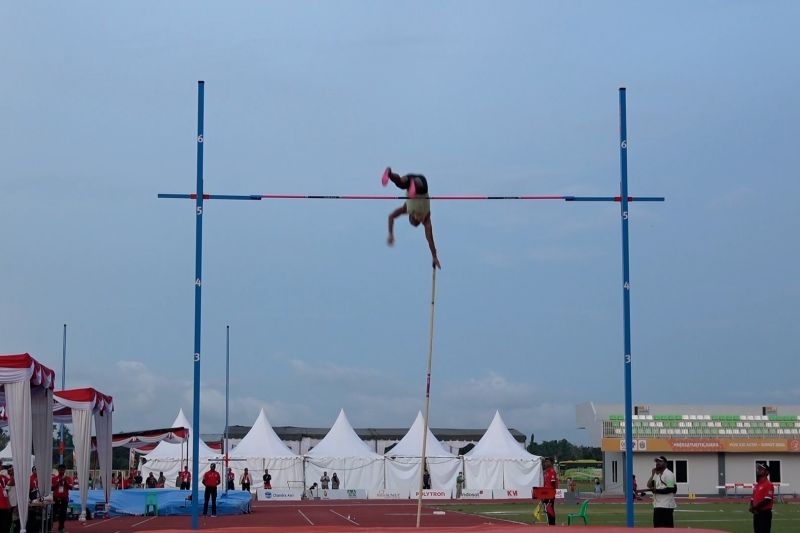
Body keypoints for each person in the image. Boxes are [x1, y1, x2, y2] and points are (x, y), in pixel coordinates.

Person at [384, 168, 441, 269]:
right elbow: (430, 240)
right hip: (421, 185)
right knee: (403, 183)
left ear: (410, 215)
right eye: (417, 220)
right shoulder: (426, 220)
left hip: (412, 181)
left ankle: (391, 174)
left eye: (414, 218)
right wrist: (434, 256)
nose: (417, 217)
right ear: (420, 221)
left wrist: (390, 234)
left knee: (401, 184)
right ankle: (392, 175)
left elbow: (391, 217)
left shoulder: (406, 209)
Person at [647, 455, 677, 528]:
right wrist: (652, 474)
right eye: (657, 461)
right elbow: (649, 485)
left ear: (665, 463)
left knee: (666, 528)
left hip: (666, 505)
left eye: (660, 461)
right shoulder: (658, 475)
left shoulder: (668, 474)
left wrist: (656, 491)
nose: (657, 463)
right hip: (658, 505)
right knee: (657, 527)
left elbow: (671, 489)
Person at [749, 463, 774, 533]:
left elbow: (767, 500)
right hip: (756, 513)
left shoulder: (769, 484)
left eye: (762, 469)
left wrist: (755, 508)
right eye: (759, 469)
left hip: (764, 514)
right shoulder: (756, 485)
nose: (759, 470)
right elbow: (752, 499)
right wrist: (751, 507)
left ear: (767, 472)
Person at [51, 464, 72, 533]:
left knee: (62, 515)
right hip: (56, 499)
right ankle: (49, 528)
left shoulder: (68, 478)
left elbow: (71, 487)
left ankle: (61, 528)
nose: (62, 471)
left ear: (65, 470)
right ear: (58, 470)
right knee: (53, 514)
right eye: (60, 469)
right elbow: (52, 488)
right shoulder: (54, 478)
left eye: (63, 469)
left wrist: (65, 482)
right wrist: (58, 482)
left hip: (64, 499)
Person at [542, 457, 558, 526]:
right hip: (546, 493)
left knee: (550, 508)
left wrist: (552, 493)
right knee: (547, 508)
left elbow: (553, 484)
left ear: (551, 463)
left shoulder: (552, 471)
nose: (546, 463)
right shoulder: (545, 472)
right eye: (545, 462)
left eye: (547, 461)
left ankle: (552, 524)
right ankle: (550, 523)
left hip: (550, 493)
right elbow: (544, 483)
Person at [0, 469, 11, 533]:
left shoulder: (3, 477)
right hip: (3, 506)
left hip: (4, 505)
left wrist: (8, 503)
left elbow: (5, 491)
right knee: (3, 525)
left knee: (6, 525)